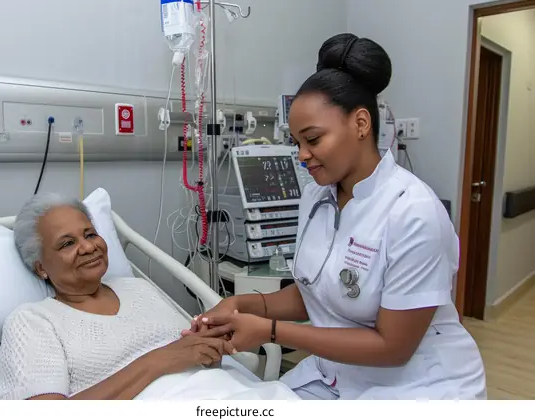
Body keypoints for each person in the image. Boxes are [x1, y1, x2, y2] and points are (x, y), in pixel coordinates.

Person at [183, 33, 487, 400]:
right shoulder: (316, 195)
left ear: (361, 124)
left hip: (419, 386)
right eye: (297, 142)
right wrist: (242, 306)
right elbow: (318, 291)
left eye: (313, 139)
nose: (302, 155)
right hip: (338, 376)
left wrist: (270, 330)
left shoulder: (413, 213)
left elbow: (393, 347)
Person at [0, 193, 237, 400]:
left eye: (90, 234)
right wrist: (159, 360)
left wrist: (209, 341)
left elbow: (189, 352)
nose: (88, 247)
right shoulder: (33, 321)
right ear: (41, 267)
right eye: (67, 244)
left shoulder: (139, 289)